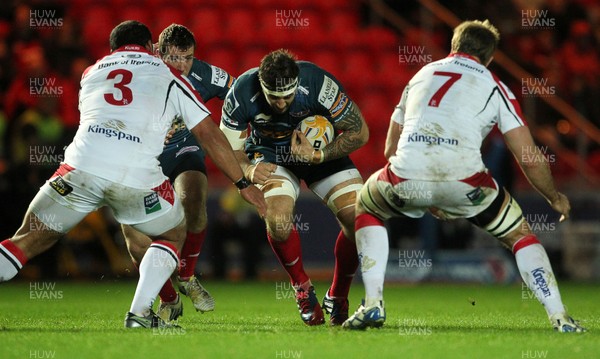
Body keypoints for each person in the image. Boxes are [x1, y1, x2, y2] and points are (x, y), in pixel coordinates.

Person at [0, 20, 266, 329]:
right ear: (152, 47)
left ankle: (164, 301)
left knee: (24, 241)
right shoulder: (169, 75)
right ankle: (140, 314)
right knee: (173, 232)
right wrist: (243, 183)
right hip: (135, 174)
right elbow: (208, 133)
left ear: (113, 49)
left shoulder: (91, 73)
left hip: (78, 169)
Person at [342, 20, 586, 333]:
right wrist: (554, 197)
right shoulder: (496, 86)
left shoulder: (420, 76)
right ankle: (560, 318)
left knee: (367, 206)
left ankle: (373, 302)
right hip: (466, 183)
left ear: (453, 46)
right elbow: (529, 156)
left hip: (405, 176)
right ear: (491, 57)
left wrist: (425, 190)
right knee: (520, 234)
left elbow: (390, 147)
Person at [220, 49, 369, 326]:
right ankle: (302, 289)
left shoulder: (318, 84)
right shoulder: (241, 92)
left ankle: (338, 294)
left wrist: (319, 156)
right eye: (273, 97)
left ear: (297, 84)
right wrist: (249, 171)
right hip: (271, 155)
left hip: (319, 155)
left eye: (287, 97)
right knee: (277, 221)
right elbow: (229, 150)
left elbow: (360, 132)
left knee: (360, 220)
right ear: (261, 85)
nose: (281, 103)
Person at [121, 23, 235, 322]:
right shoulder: (140, 74)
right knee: (135, 237)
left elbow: (241, 94)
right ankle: (169, 299)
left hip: (185, 150)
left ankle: (186, 275)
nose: (182, 66)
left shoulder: (206, 74)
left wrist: (244, 137)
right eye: (175, 58)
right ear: (158, 51)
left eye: (188, 58)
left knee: (193, 197)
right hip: (143, 160)